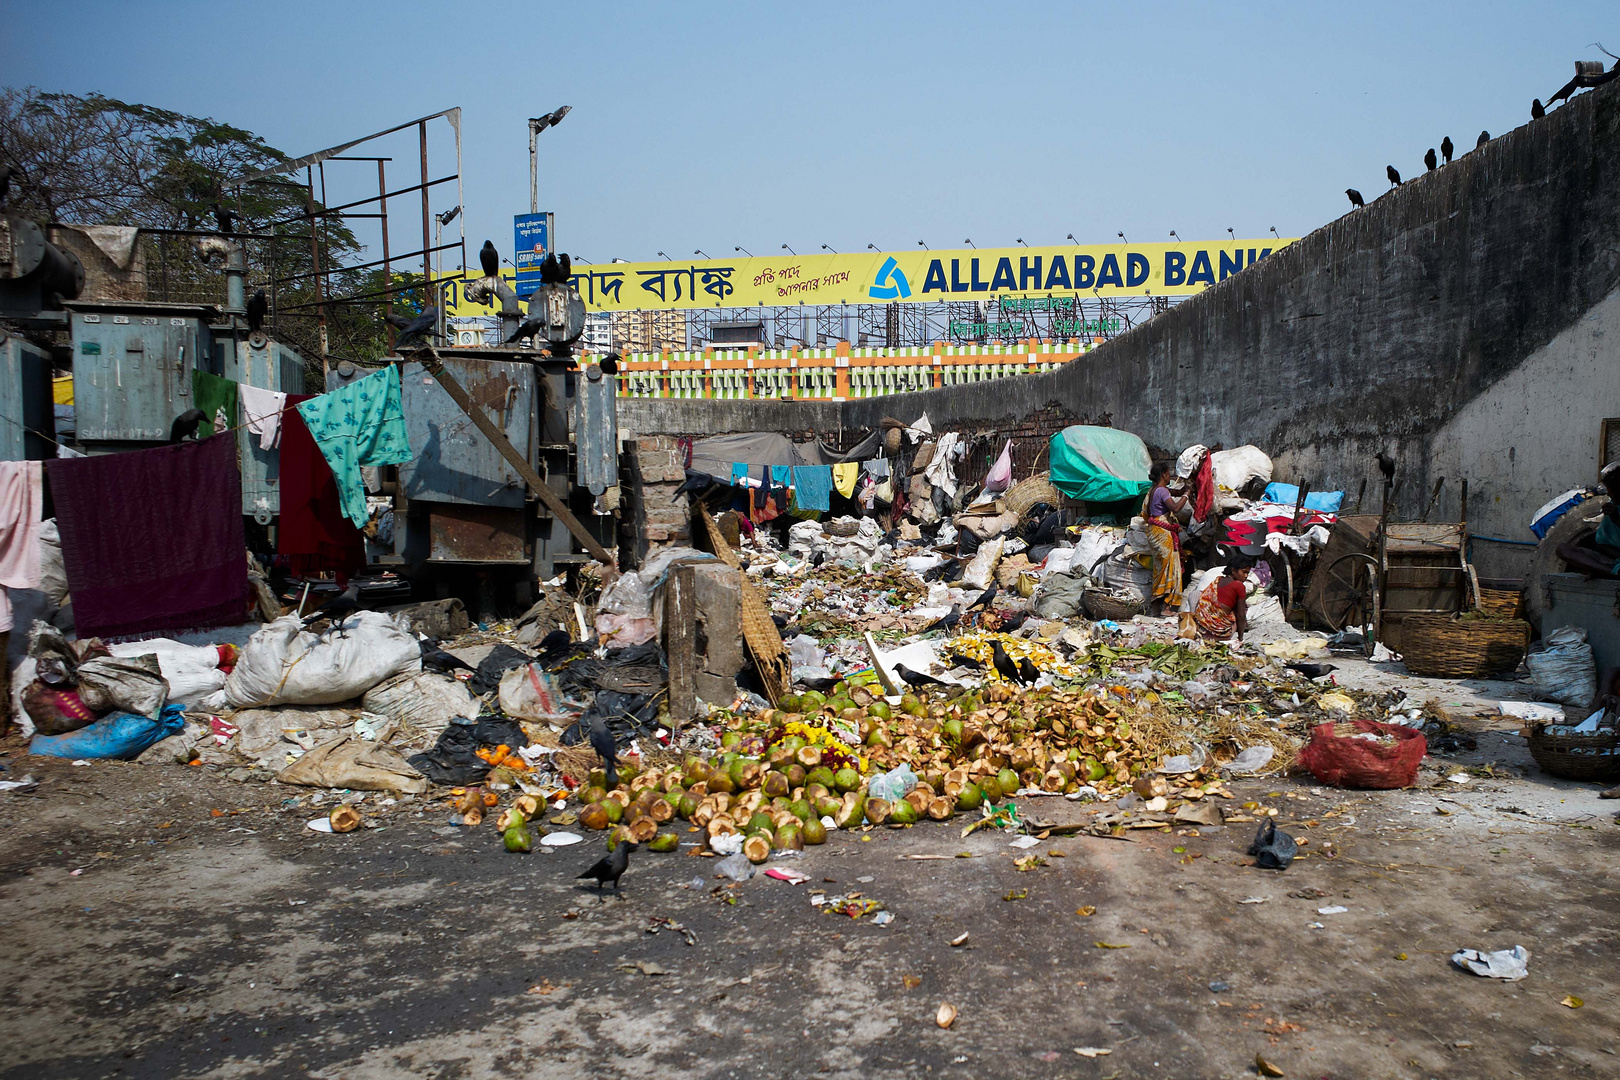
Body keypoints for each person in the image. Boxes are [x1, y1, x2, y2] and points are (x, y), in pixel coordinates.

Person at [1555, 462, 1620, 578]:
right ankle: (1611, 572)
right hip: (1614, 561)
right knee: (1563, 549)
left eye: (1613, 493)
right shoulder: (1612, 506)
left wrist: (1617, 519)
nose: (1610, 496)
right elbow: (1602, 545)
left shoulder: (1614, 511)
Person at [1142, 462, 1185, 615]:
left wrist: (1184, 490)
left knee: (1159, 571)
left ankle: (1154, 608)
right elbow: (1176, 508)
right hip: (1163, 534)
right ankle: (1167, 607)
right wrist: (1187, 494)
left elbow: (1174, 492)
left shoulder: (1154, 490)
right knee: (1170, 570)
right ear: (1164, 475)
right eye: (1168, 474)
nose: (1170, 477)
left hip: (1154, 532)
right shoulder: (1162, 491)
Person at [1193, 554, 1254, 641]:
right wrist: (1240, 638)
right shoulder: (1239, 585)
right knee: (1238, 611)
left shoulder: (1218, 580)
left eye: (1247, 573)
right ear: (1233, 570)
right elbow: (1241, 615)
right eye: (1244, 572)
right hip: (1220, 633)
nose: (1246, 576)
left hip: (1202, 629)